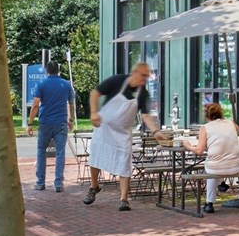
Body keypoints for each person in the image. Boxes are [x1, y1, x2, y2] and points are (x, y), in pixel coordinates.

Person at [86, 61, 159, 211]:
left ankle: (124, 199)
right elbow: (95, 94)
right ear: (135, 73)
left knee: (125, 162)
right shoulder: (117, 81)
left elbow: (145, 115)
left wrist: (156, 132)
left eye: (147, 76)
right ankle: (94, 187)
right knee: (95, 157)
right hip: (104, 127)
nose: (145, 79)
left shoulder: (143, 92)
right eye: (143, 75)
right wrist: (94, 112)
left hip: (124, 132)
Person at [182, 102, 239, 213]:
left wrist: (188, 146)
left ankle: (209, 203)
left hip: (216, 167)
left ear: (206, 116)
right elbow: (237, 129)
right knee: (218, 161)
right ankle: (221, 184)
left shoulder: (205, 128)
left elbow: (199, 151)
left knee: (213, 166)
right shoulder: (231, 123)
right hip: (236, 166)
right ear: (221, 113)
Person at [26, 61, 76, 193]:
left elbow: (36, 104)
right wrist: (71, 119)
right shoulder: (66, 85)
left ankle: (40, 182)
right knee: (60, 152)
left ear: (47, 71)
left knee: (41, 150)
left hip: (45, 123)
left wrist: (30, 123)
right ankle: (59, 183)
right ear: (58, 70)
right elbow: (71, 103)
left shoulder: (41, 84)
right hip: (61, 122)